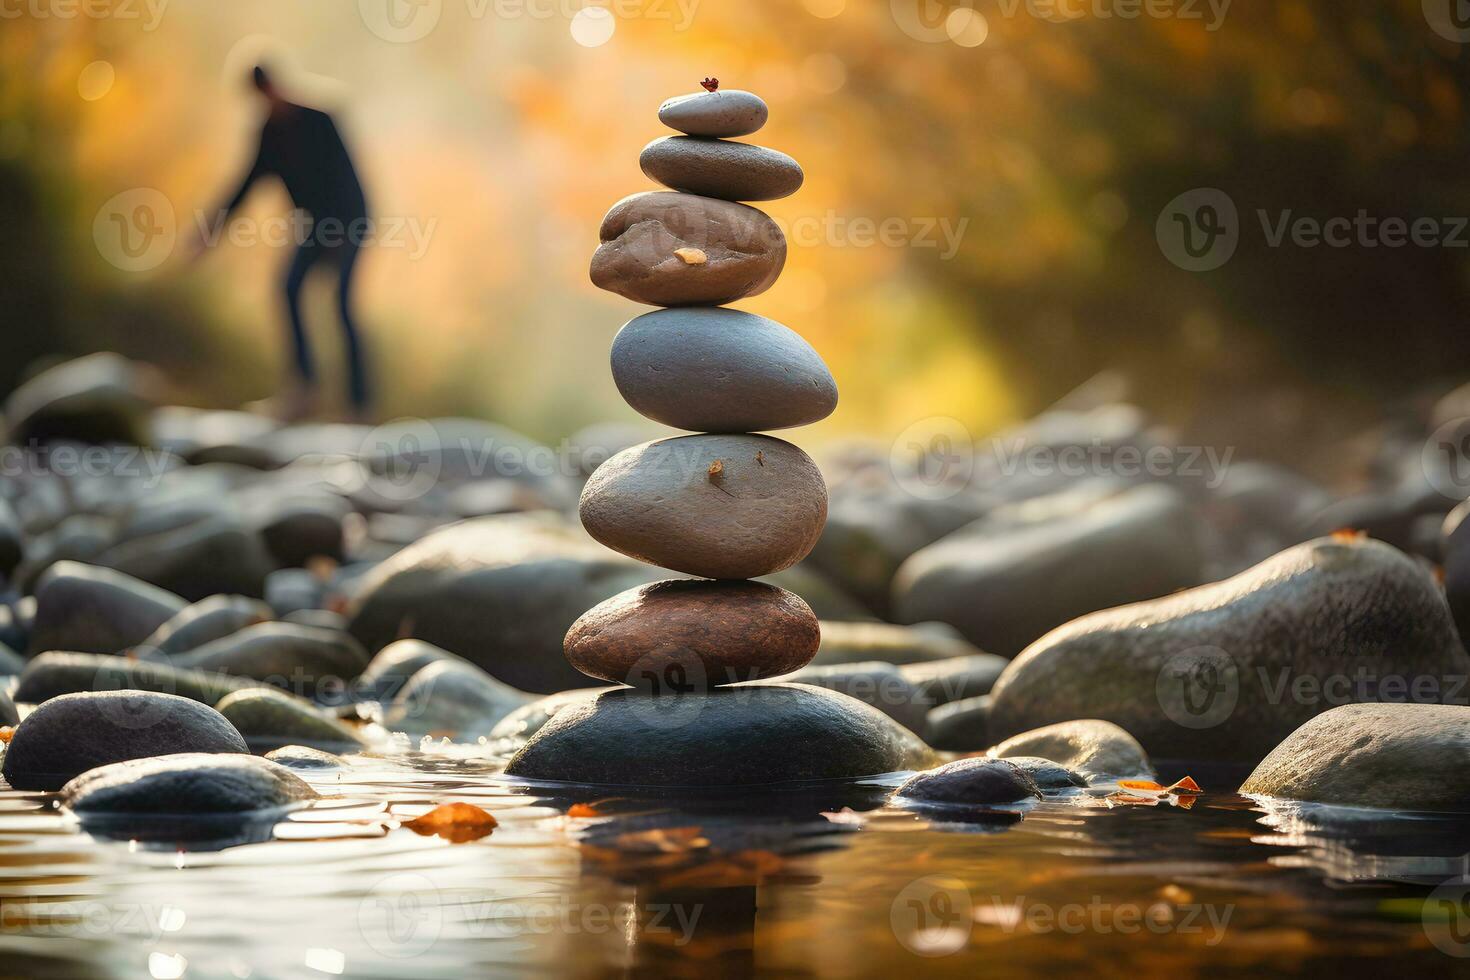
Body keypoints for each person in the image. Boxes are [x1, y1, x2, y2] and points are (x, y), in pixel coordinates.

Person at [192, 64, 372, 421]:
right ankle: (303, 390)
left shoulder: (320, 121)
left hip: (348, 221)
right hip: (314, 225)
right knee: (288, 288)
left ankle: (360, 406)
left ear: (278, 85)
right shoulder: (270, 136)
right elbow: (245, 183)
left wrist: (340, 235)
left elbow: (346, 180)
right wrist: (211, 228)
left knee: (342, 306)